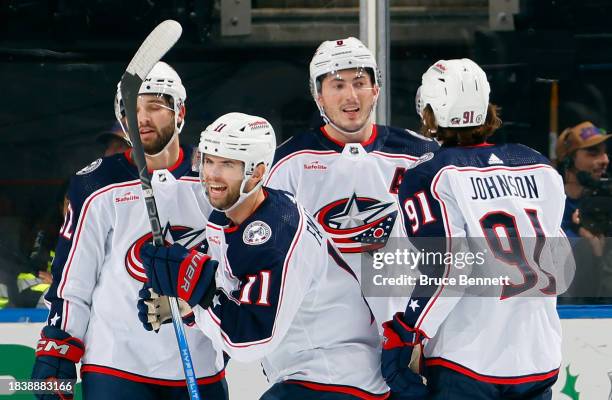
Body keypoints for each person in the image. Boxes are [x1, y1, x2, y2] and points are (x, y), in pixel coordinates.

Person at [138, 112, 389, 399]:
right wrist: (188, 306)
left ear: (256, 173)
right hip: (312, 374)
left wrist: (200, 294)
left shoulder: (276, 232)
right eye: (208, 161)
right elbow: (233, 300)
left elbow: (252, 340)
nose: (212, 175)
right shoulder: (230, 218)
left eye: (228, 164)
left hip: (338, 375)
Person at [31, 62, 227, 400]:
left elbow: (237, 267)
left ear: (180, 111)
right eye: (132, 108)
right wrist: (58, 349)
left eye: (154, 106)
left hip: (200, 363)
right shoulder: (95, 183)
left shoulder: (216, 177)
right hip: (116, 365)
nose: (143, 118)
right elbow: (73, 280)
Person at [381, 59, 572, 399]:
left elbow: (447, 268)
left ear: (430, 111)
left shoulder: (431, 175)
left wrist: (408, 330)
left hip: (468, 359)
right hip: (539, 355)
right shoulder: (538, 165)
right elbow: (556, 258)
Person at [265, 37, 439, 329]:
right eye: (338, 85)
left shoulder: (421, 155)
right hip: (322, 340)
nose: (351, 96)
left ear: (375, 89)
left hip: (408, 333)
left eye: (359, 83)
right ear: (318, 94)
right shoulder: (286, 163)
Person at [556, 121, 612, 302]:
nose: (605, 160)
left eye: (604, 152)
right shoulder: (549, 208)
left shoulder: (606, 205)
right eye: (593, 153)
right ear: (568, 160)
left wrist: (598, 252)